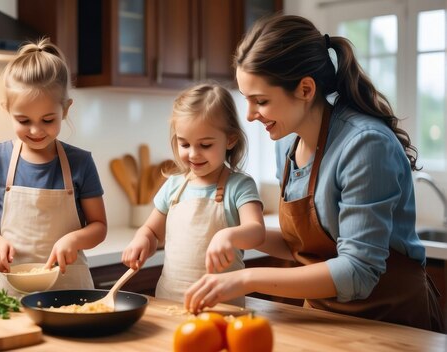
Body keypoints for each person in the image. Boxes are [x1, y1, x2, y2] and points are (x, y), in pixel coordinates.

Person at [184, 14, 444, 332]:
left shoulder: (365, 144)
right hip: (324, 319)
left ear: (306, 89)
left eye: (260, 101)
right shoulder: (290, 145)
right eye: (247, 101)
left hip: (390, 324)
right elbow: (303, 247)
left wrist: (245, 279)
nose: (250, 115)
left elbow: (358, 272)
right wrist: (236, 233)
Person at [0, 38, 107, 297]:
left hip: (73, 291)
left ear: (65, 110)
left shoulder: (80, 162)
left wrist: (74, 240)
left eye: (47, 119)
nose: (35, 130)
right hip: (14, 292)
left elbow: (99, 225)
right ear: (7, 109)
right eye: (23, 120)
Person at [122, 83, 265, 306]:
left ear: (230, 139)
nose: (193, 154)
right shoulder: (173, 186)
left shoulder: (239, 186)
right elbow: (151, 230)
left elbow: (256, 232)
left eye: (205, 145)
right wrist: (142, 239)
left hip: (223, 305)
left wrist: (228, 236)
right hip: (170, 301)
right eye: (185, 144)